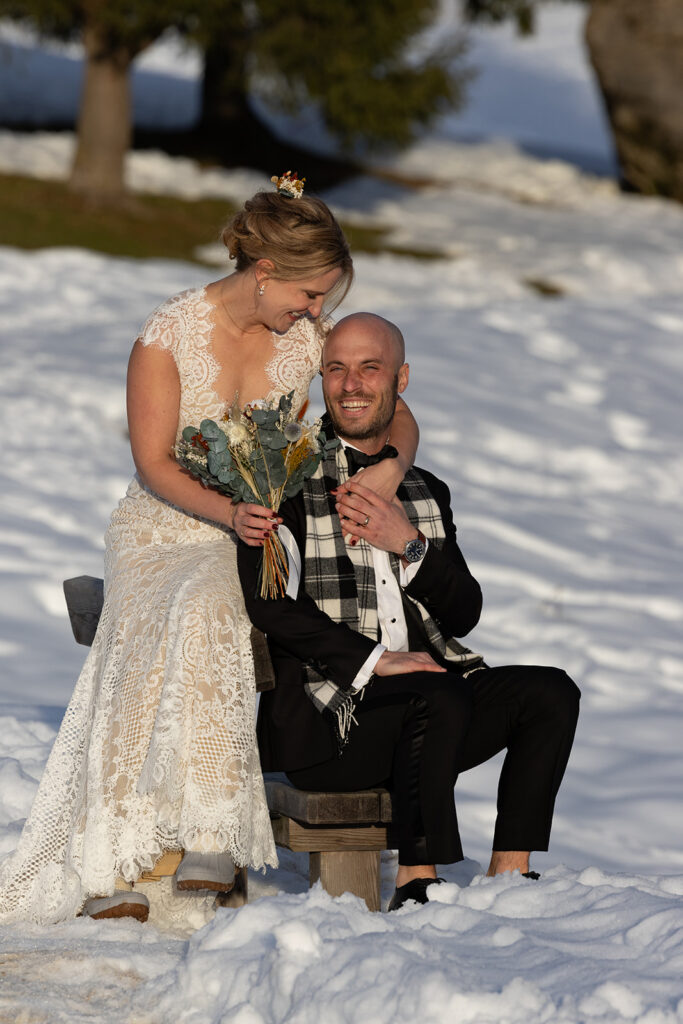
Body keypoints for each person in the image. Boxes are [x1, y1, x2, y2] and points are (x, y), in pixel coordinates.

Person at [0, 182, 419, 925]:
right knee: (187, 599)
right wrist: (227, 511)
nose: (316, 311)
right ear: (264, 270)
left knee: (214, 595)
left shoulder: (307, 342)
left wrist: (387, 469)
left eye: (325, 299)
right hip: (165, 525)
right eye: (309, 294)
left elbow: (388, 412)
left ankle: (210, 832)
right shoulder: (166, 338)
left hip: (255, 527)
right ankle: (124, 849)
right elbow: (153, 462)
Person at [237, 312, 581, 911]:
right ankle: (416, 878)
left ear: (400, 380)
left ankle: (510, 870)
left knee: (550, 691)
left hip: (422, 711)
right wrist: (373, 662)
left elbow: (466, 610)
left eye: (370, 368)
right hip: (329, 726)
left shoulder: (425, 491)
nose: (351, 384)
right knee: (434, 690)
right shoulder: (281, 481)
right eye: (337, 369)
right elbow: (270, 607)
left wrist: (409, 545)